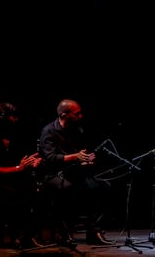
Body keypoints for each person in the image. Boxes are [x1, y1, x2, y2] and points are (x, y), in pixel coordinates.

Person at [38, 99, 114, 246]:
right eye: (77, 113)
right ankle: (63, 233)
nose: (80, 116)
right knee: (67, 189)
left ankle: (93, 231)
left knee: (104, 186)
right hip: (53, 175)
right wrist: (75, 157)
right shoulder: (49, 130)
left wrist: (85, 160)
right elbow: (50, 157)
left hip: (74, 173)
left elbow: (79, 154)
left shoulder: (77, 130)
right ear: (64, 114)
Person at [0, 101, 43, 249]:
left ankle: (27, 235)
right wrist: (18, 168)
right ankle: (16, 235)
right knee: (15, 194)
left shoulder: (14, 136)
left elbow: (20, 160)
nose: (16, 120)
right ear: (2, 118)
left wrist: (30, 162)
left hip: (12, 178)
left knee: (35, 190)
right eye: (12, 116)